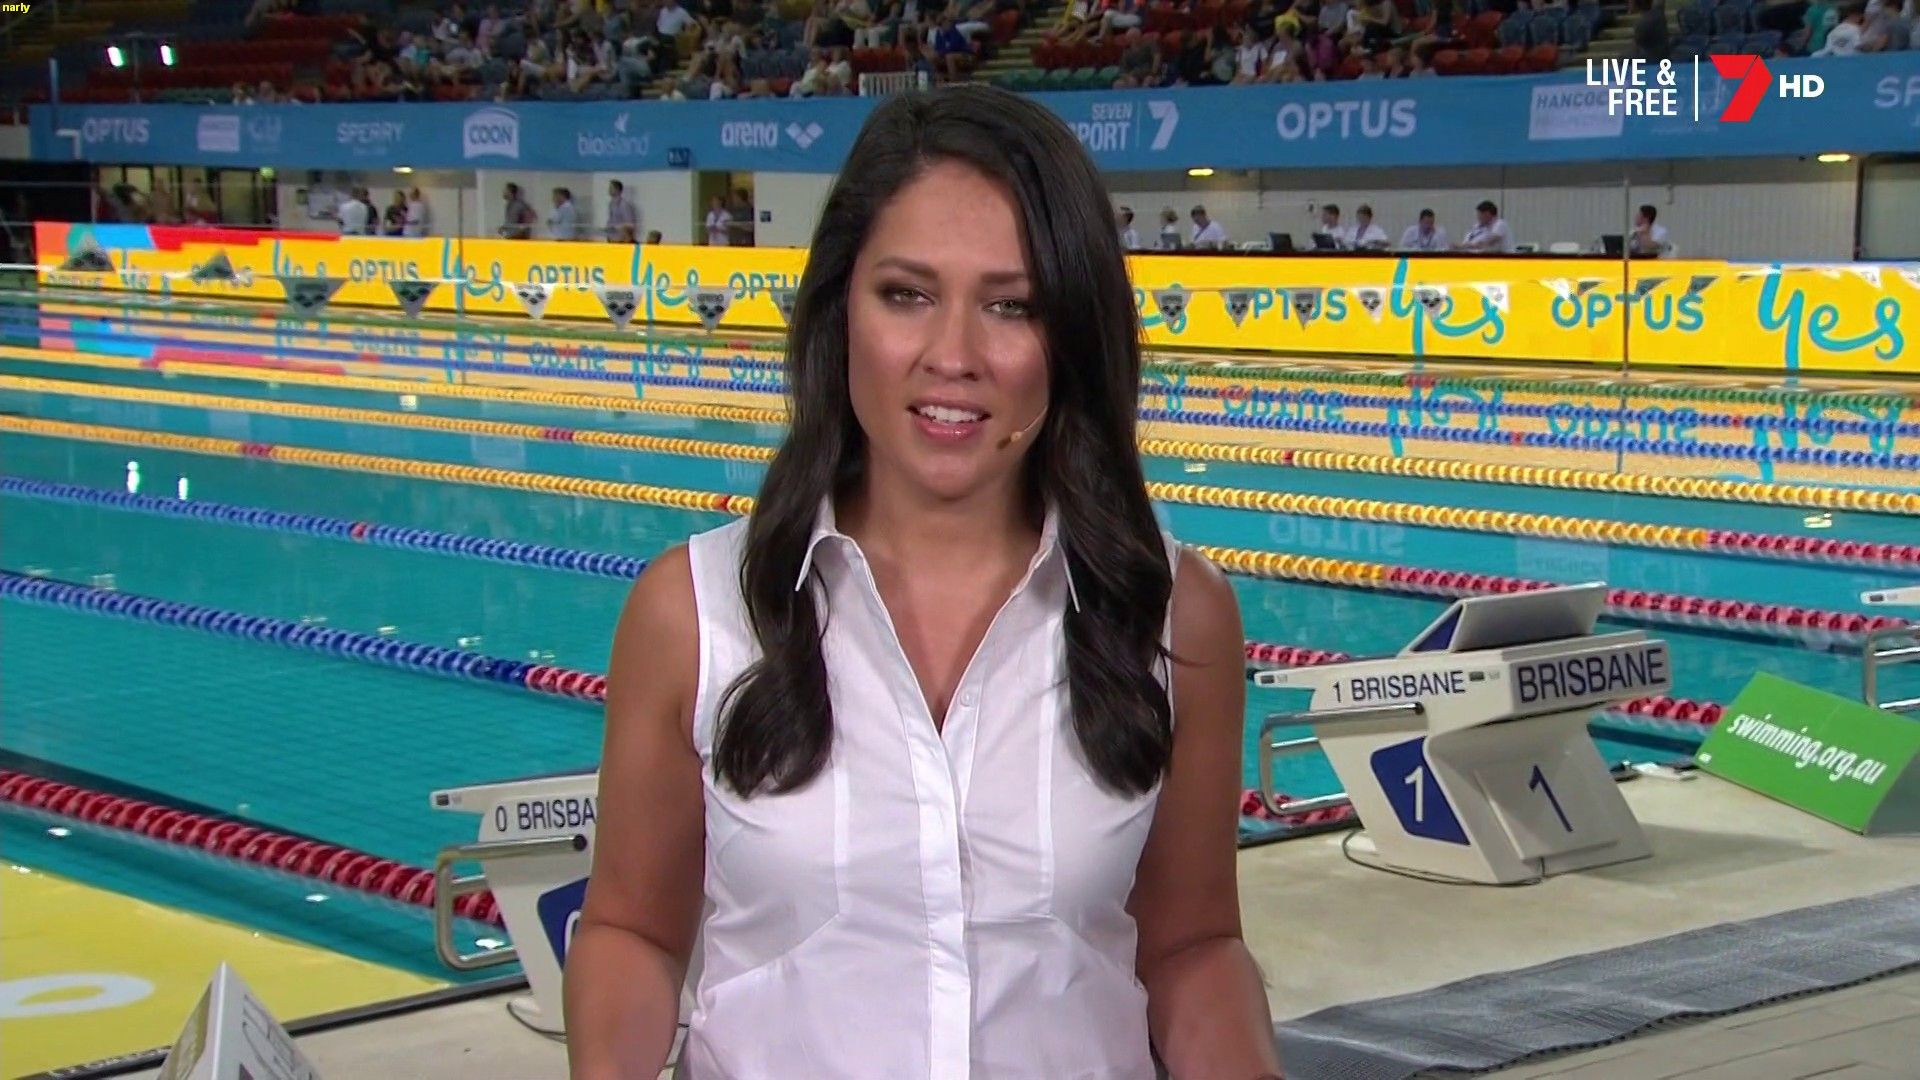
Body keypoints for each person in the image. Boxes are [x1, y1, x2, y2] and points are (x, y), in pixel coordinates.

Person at [564, 84, 1283, 1080]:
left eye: (1011, 306)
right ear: (840, 311)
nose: (953, 356)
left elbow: (1192, 947)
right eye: (906, 294)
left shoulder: (1176, 616)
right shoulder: (695, 613)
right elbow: (633, 932)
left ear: (1070, 335)